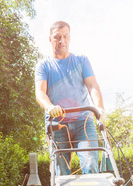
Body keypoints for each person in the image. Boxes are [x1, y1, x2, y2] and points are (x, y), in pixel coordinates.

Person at [34, 21, 107, 176]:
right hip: (58, 123)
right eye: (57, 37)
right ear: (50, 39)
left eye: (65, 36)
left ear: (70, 37)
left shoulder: (81, 61)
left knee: (91, 165)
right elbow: (40, 92)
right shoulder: (44, 66)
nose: (62, 41)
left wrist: (99, 108)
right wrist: (49, 107)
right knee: (61, 171)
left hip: (83, 121)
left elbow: (92, 85)